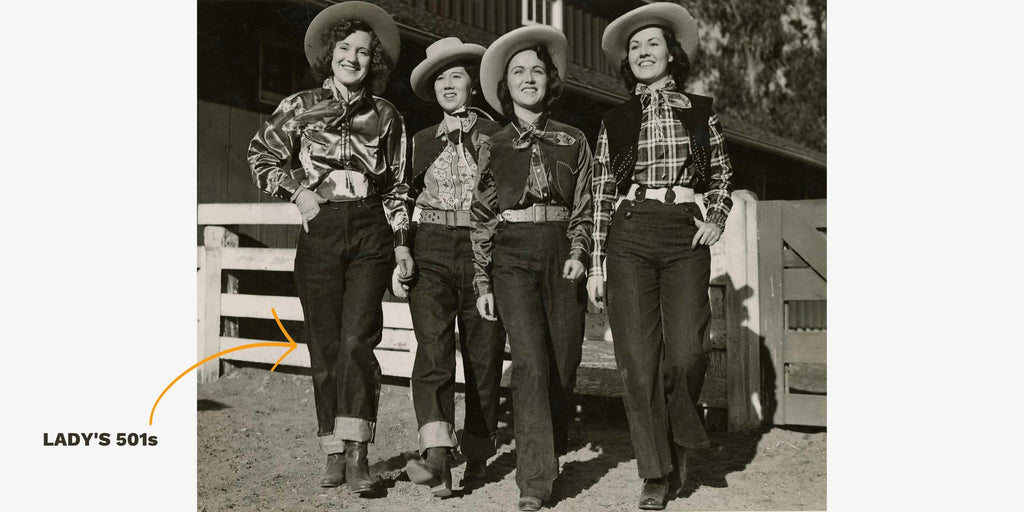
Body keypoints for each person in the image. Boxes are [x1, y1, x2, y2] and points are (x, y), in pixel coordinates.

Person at [246, 1, 412, 496]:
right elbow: (261, 156)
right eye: (345, 48)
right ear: (330, 54)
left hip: (369, 231)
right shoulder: (298, 107)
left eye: (364, 52)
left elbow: (399, 186)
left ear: (373, 62)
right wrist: (299, 192)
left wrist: (401, 243)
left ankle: (359, 451)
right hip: (320, 228)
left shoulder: (387, 115)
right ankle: (333, 451)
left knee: (359, 339)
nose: (353, 58)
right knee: (324, 345)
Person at [588, 3, 735, 510]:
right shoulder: (615, 118)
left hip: (683, 233)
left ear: (672, 53)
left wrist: (714, 216)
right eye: (635, 47)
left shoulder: (700, 111)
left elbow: (720, 174)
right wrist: (595, 264)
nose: (644, 52)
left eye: (653, 43)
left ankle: (680, 437)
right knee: (637, 361)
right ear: (627, 62)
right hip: (629, 231)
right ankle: (655, 471)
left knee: (688, 351)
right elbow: (604, 191)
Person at [472, 25, 593, 512]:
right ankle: (536, 481)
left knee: (562, 364)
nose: (528, 79)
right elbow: (481, 215)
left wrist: (580, 251)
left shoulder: (575, 140)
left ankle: (551, 443)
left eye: (536, 71)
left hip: (561, 250)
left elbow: (585, 206)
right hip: (512, 255)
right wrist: (482, 277)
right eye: (518, 72)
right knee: (529, 363)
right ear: (507, 85)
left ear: (550, 80)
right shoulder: (494, 145)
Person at [399, 37, 506, 497]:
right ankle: (437, 454)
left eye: (456, 75)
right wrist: (402, 247)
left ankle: (479, 451)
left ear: (473, 86)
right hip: (430, 247)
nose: (447, 85)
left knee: (483, 355)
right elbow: (400, 197)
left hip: (484, 250)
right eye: (439, 78)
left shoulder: (499, 137)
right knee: (433, 348)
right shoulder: (421, 141)